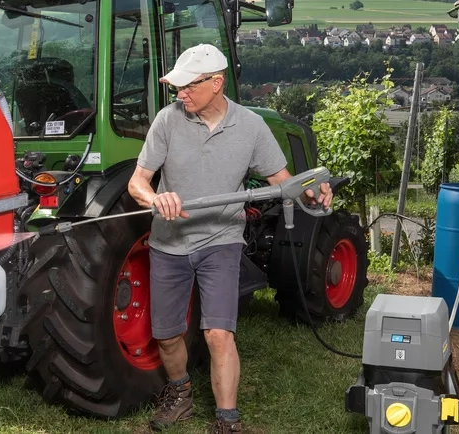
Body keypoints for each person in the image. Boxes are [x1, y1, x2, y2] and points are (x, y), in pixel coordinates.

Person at [127, 44, 332, 433]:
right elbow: (138, 182)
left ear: (216, 83)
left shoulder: (251, 127)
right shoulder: (167, 121)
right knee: (167, 336)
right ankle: (180, 392)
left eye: (187, 87)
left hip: (221, 239)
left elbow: (283, 182)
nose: (180, 95)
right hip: (169, 242)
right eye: (177, 88)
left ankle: (227, 420)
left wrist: (313, 191)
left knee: (218, 333)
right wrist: (157, 197)